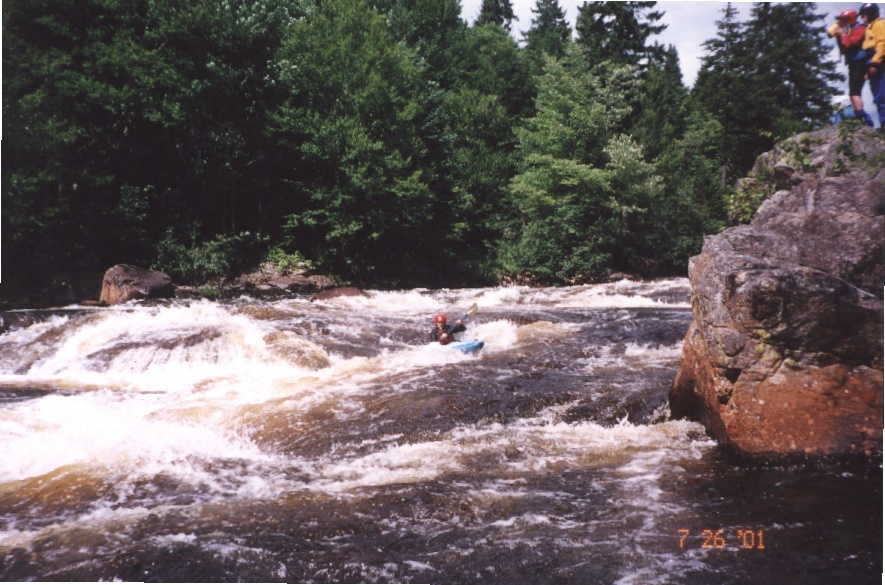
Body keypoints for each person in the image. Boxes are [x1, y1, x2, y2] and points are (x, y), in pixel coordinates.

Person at [828, 9, 872, 125]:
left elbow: (850, 44)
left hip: (860, 62)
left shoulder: (860, 28)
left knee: (854, 92)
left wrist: (842, 34)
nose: (841, 22)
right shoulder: (851, 29)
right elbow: (844, 49)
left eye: (843, 19)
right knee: (855, 92)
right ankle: (860, 115)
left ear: (849, 19)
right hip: (854, 63)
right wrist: (838, 36)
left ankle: (863, 118)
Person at [859, 2, 885, 127]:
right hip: (872, 62)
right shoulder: (869, 27)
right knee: (877, 96)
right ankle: (882, 123)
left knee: (881, 96)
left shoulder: (879, 24)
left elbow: (882, 43)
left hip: (880, 63)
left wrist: (875, 63)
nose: (861, 17)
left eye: (863, 14)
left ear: (871, 13)